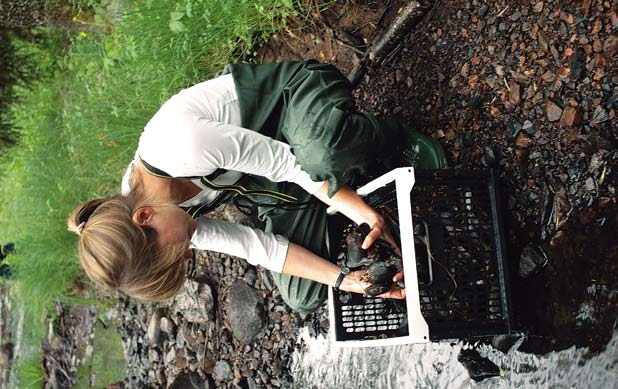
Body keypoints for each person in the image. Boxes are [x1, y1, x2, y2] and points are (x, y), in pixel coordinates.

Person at [68, 60, 446, 313]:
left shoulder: (181, 144)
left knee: (323, 158)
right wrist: (347, 281)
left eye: (176, 253)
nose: (188, 255)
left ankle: (388, 137)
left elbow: (290, 165)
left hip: (295, 101)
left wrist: (364, 214)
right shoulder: (159, 217)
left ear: (144, 215)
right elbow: (254, 247)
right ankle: (340, 191)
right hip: (272, 179)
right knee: (303, 295)